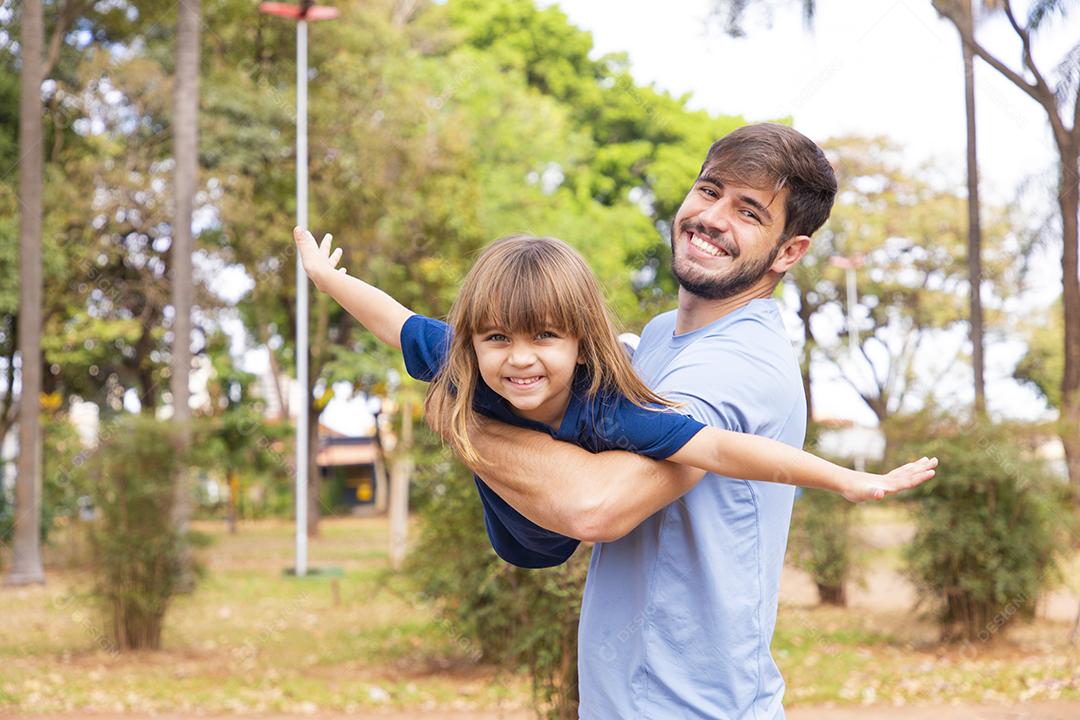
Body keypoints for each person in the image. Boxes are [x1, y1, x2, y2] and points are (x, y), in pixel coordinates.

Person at [403, 123, 868, 718]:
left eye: (749, 212)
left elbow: (595, 506)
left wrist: (462, 417)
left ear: (788, 252)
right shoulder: (658, 338)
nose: (713, 218)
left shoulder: (733, 364)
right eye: (709, 190)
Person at [293, 220, 934, 573]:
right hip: (516, 536)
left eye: (545, 336)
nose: (519, 358)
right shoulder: (461, 359)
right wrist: (326, 278)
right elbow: (392, 318)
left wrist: (843, 478)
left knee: (654, 423)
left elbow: (723, 449)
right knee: (452, 378)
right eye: (498, 338)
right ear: (475, 338)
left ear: (578, 343)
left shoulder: (611, 409)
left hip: (562, 524)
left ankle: (624, 354)